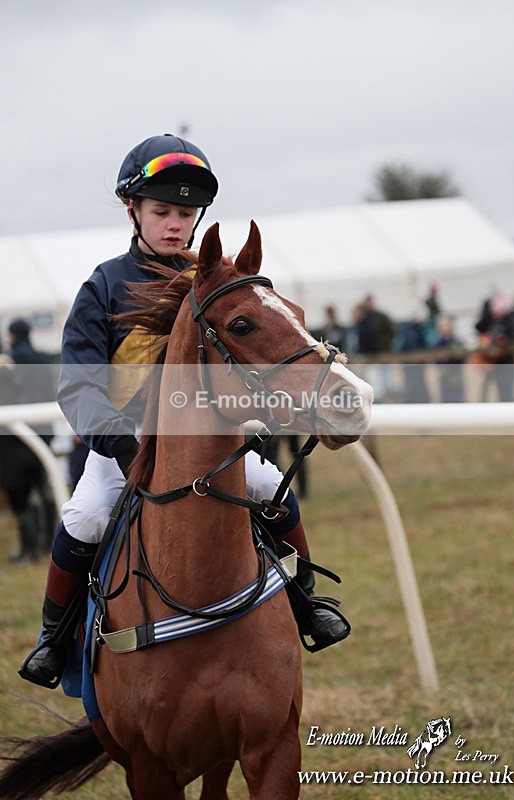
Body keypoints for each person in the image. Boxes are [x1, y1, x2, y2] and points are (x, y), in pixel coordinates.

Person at [20, 134, 349, 689]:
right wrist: (121, 445)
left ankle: (306, 601)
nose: (175, 223)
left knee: (270, 485)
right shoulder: (103, 286)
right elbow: (78, 386)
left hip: (210, 446)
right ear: (134, 211)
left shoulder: (218, 279)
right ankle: (54, 640)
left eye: (186, 213)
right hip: (122, 447)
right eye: (162, 211)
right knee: (87, 516)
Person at [0, 338, 44, 562]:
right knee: (29, 501)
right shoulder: (14, 372)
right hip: (26, 447)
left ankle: (30, 549)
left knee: (21, 503)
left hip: (11, 454)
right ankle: (34, 548)